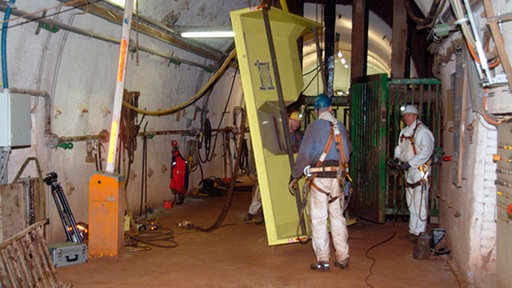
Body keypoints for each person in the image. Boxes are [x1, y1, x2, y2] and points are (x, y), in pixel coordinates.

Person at [289, 94, 351, 272]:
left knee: (319, 219)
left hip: (319, 179)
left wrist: (295, 176)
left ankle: (323, 259)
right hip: (337, 179)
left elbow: (305, 155)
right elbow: (347, 151)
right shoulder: (341, 127)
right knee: (338, 218)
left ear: (316, 111)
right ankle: (343, 257)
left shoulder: (313, 128)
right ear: (331, 108)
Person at [244, 111, 303, 223]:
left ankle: (272, 216)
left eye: (299, 122)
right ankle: (252, 213)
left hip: (287, 169)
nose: (297, 124)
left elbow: (302, 151)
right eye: (295, 121)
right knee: (261, 189)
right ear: (289, 120)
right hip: (274, 166)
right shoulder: (278, 134)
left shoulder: (298, 136)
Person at [394, 104, 434, 238]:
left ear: (415, 116)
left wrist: (410, 163)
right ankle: (413, 230)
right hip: (408, 170)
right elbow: (400, 147)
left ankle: (420, 232)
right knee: (410, 201)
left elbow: (426, 152)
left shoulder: (423, 132)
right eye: (405, 115)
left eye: (409, 115)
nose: (407, 117)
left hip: (419, 169)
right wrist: (397, 158)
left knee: (419, 201)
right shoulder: (404, 131)